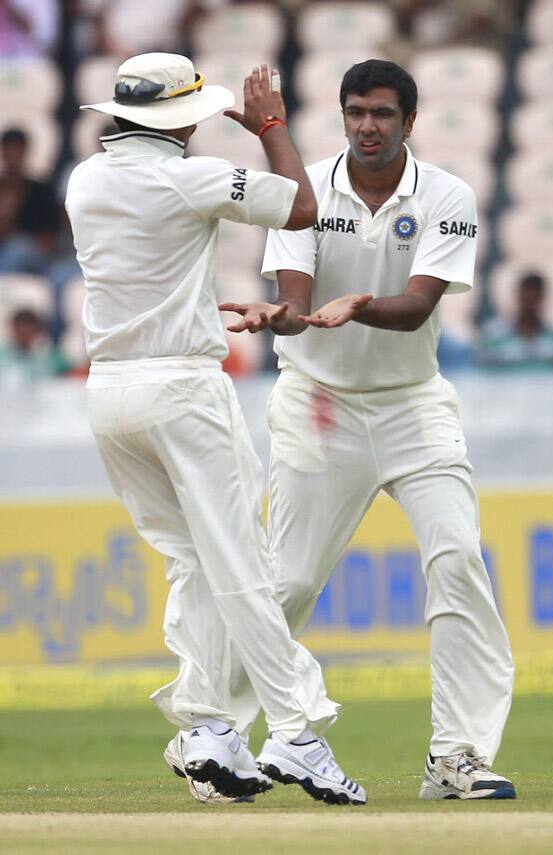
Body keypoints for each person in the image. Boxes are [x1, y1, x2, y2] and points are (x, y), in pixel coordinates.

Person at [64, 52, 365, 806]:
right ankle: (298, 729)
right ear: (182, 118)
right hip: (181, 387)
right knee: (242, 565)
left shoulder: (85, 179)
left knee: (194, 563)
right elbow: (302, 207)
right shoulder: (186, 177)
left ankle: (207, 725)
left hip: (110, 394)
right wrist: (268, 125)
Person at [221, 59, 516, 801]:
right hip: (320, 401)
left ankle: (458, 757)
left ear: (410, 122)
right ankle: (213, 736)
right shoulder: (307, 191)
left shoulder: (449, 195)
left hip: (414, 403)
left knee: (456, 562)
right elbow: (293, 297)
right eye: (355, 112)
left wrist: (355, 304)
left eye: (382, 113)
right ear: (343, 116)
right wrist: (279, 316)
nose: (367, 126)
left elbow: (417, 306)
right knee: (285, 582)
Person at [0, 128, 80, 341]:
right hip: (6, 258)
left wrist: (32, 245)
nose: (14, 159)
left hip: (41, 259)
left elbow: (55, 239)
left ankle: (53, 339)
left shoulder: (41, 190)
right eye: (9, 153)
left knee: (59, 275)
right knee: (15, 249)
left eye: (18, 153)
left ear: (26, 153)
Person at [479, 271, 553, 369]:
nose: (530, 301)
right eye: (526, 295)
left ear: (543, 297)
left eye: (535, 295)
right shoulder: (493, 337)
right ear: (518, 295)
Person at [0, 307, 70, 388]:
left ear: (36, 330)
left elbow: (73, 371)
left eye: (28, 328)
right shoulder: (2, 357)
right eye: (20, 328)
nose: (24, 332)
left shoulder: (50, 358)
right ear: (13, 328)